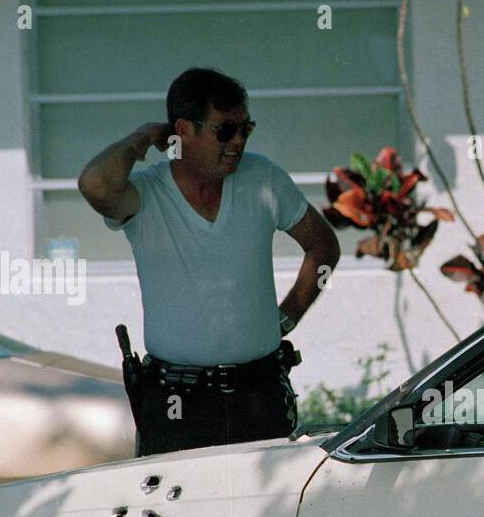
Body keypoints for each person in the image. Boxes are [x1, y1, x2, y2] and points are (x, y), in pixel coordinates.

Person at [78, 67, 341, 455]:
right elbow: (94, 185)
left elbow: (323, 248)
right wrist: (139, 140)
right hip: (176, 401)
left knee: (271, 513)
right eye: (224, 130)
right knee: (174, 511)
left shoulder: (262, 178)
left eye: (245, 129)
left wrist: (286, 318)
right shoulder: (146, 194)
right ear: (184, 131)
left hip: (260, 392)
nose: (237, 141)